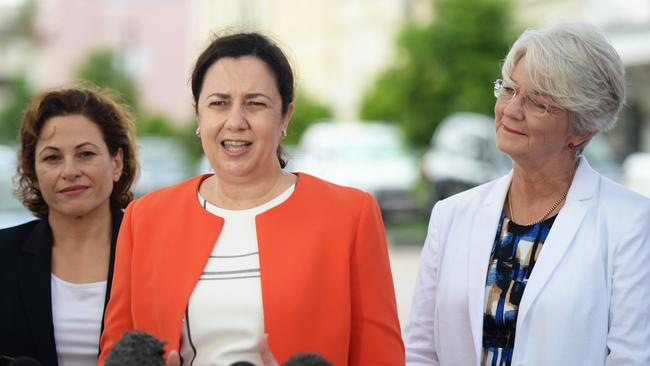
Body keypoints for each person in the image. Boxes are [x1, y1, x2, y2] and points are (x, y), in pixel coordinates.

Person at [99, 32, 404, 366]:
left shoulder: (349, 215)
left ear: (285, 116)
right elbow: (116, 354)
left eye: (255, 103)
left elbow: (380, 358)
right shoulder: (145, 218)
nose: (236, 122)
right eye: (219, 103)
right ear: (198, 115)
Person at [404, 22, 650, 366]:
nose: (511, 109)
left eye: (537, 102)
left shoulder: (632, 222)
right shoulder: (451, 215)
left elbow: (632, 358)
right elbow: (420, 351)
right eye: (509, 89)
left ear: (581, 129)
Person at [0, 86, 138, 365]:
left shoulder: (158, 251)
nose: (70, 171)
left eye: (85, 154)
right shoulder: (3, 254)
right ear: (33, 172)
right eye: (52, 158)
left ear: (116, 162)